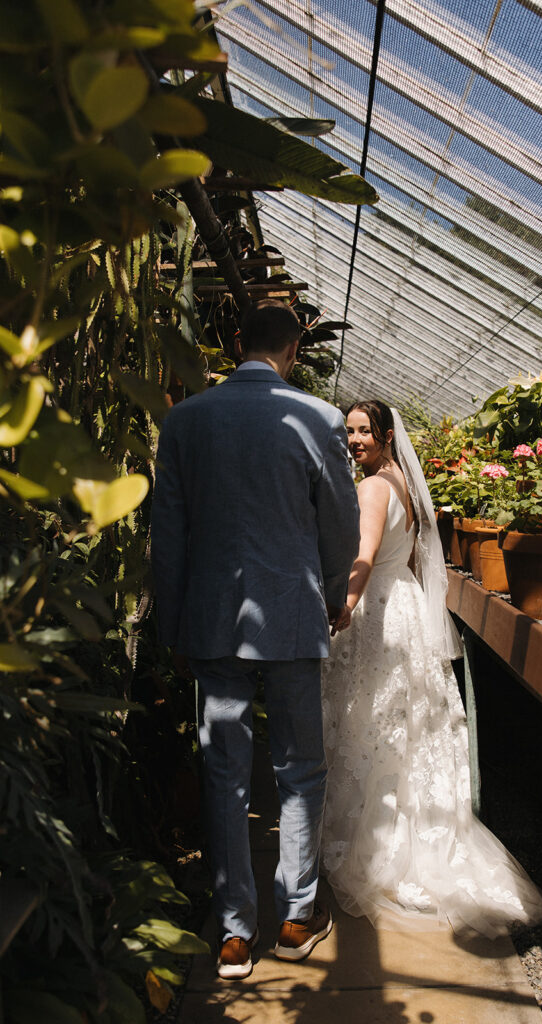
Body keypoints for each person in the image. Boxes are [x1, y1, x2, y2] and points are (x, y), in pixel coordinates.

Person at [151, 300, 360, 980]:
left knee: (223, 774)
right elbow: (339, 522)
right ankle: (296, 917)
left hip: (211, 621)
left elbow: (169, 533)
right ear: (295, 349)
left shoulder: (185, 420)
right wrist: (331, 594)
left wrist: (173, 620)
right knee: (299, 770)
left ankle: (235, 933)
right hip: (294, 618)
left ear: (236, 340)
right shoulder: (317, 419)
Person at [321, 400, 542, 936]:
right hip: (402, 602)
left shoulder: (374, 487)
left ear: (384, 435)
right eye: (349, 432)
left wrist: (346, 606)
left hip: (376, 608)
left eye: (364, 432)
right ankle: (416, 826)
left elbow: (364, 554)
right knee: (404, 723)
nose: (355, 441)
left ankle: (375, 837)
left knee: (369, 720)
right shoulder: (401, 479)